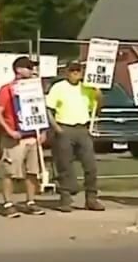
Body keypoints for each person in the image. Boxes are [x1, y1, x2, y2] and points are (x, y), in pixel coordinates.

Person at [45, 60, 104, 211]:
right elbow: (48, 109)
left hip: (83, 129)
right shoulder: (58, 87)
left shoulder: (88, 88)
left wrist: (99, 96)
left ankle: (91, 198)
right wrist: (57, 128)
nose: (75, 73)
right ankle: (65, 199)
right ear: (67, 72)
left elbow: (97, 109)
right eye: (72, 71)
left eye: (78, 71)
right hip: (65, 128)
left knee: (91, 166)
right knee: (64, 165)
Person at [0, 55, 45, 215]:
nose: (32, 71)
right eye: (28, 68)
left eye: (32, 68)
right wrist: (9, 131)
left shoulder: (34, 89)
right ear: (18, 70)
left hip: (32, 136)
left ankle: (30, 201)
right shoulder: (7, 89)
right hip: (14, 137)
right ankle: (8, 204)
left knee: (33, 172)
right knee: (11, 172)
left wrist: (42, 131)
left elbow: (40, 111)